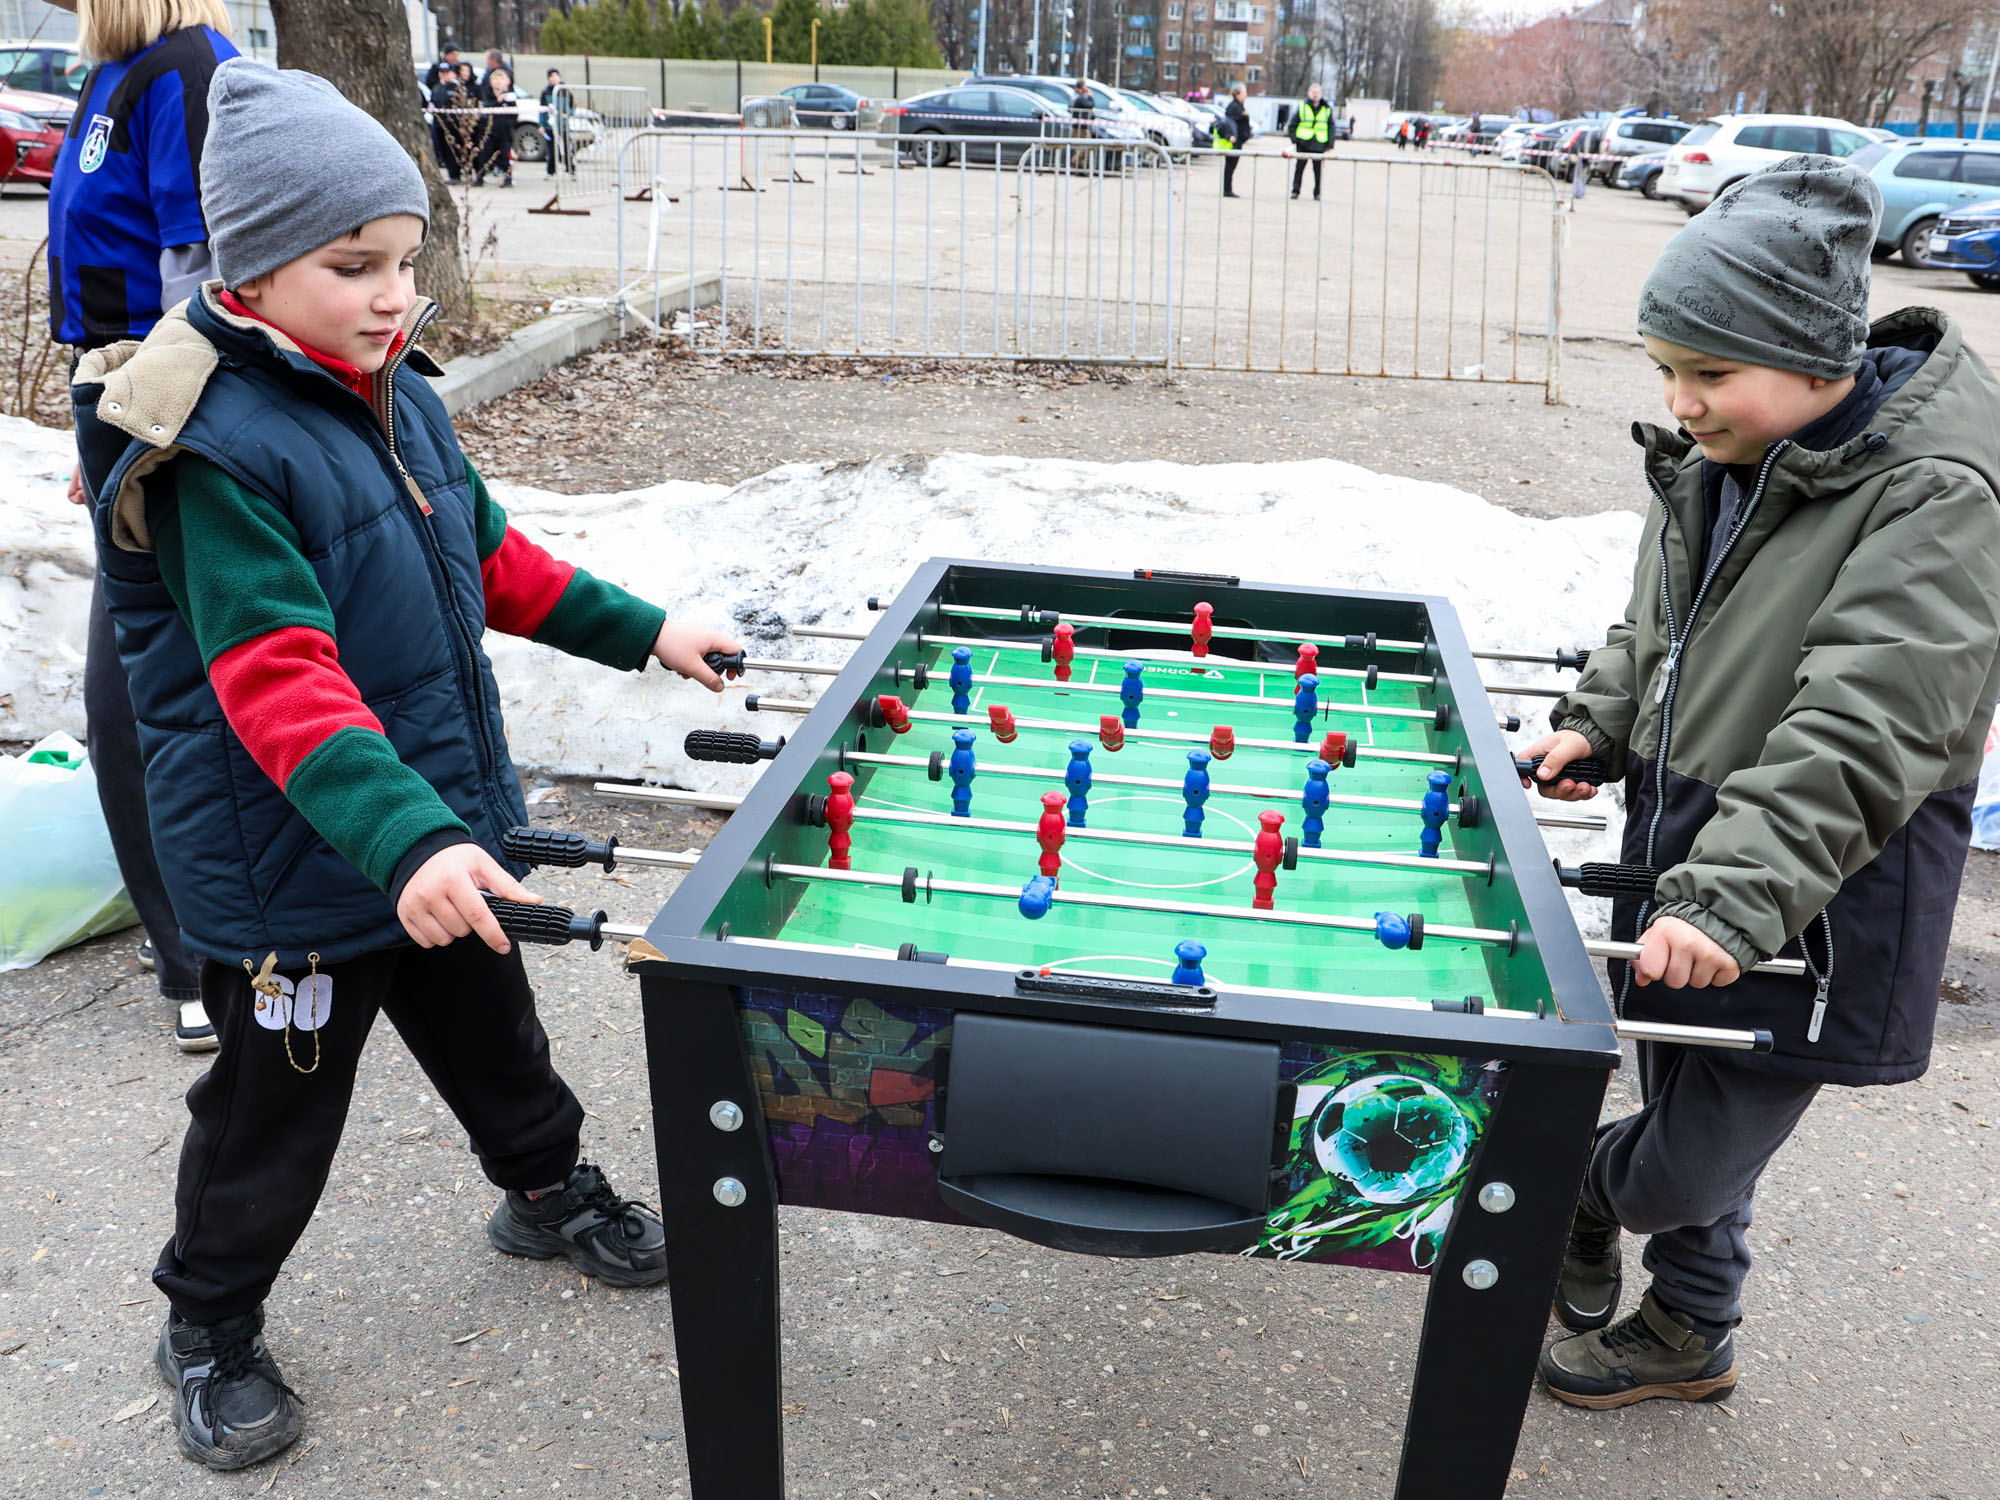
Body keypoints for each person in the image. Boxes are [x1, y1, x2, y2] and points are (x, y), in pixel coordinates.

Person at [72, 59, 745, 1470]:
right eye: (352, 266)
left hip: (427, 830)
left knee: (498, 1035)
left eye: (403, 260)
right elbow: (277, 680)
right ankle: (209, 1320)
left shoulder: (390, 391)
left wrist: (644, 631)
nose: (392, 296)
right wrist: (410, 840)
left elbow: (490, 559)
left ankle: (544, 1188)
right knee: (273, 1111)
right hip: (295, 862)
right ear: (251, 271)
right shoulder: (213, 455)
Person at [1522, 157, 2000, 1410]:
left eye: (1706, 372)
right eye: (1663, 369)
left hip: (1824, 882)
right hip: (1693, 844)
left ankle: (1574, 1191)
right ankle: (1690, 1329)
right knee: (1678, 1089)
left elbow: (1868, 722)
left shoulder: (1932, 490)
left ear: (1809, 355)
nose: (1678, 402)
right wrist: (1598, 721)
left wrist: (1731, 895)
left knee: (1687, 1158)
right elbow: (1660, 622)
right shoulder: (1737, 447)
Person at [45, 0, 239, 1054]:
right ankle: (200, 952)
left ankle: (215, 956)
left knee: (145, 700)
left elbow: (202, 274)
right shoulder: (120, 68)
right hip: (121, 400)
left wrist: (144, 429)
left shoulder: (186, 69)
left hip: (167, 411)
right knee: (136, 701)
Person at [430, 61, 475, 182]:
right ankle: (451, 174)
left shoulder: (458, 88)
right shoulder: (437, 87)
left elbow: (464, 107)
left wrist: (462, 126)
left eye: (447, 72)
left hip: (454, 126)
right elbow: (433, 102)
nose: (444, 75)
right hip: (439, 125)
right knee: (442, 150)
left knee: (453, 151)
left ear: (453, 74)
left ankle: (456, 174)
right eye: (442, 72)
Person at [1288, 82, 1332, 200]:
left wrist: (1330, 143)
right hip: (1303, 143)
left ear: (1321, 94)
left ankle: (1317, 193)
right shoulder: (1302, 106)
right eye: (1313, 92)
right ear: (1309, 93)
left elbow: (1331, 126)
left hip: (1319, 143)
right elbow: (1292, 124)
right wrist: (1295, 139)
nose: (1315, 94)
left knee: (1318, 171)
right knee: (1299, 169)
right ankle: (1295, 191)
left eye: (1317, 92)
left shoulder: (1326, 108)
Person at [475, 63, 514, 187]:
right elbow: (487, 106)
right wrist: (498, 101)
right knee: (484, 155)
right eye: (495, 79)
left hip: (504, 131)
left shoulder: (510, 96)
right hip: (489, 130)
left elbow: (514, 113)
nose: (497, 81)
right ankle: (479, 177)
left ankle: (508, 178)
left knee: (504, 156)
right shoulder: (487, 94)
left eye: (500, 78)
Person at [539, 66, 573, 178]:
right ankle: (551, 172)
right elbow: (542, 110)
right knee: (551, 150)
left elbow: (571, 107)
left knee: (567, 149)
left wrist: (567, 114)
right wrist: (541, 125)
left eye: (556, 76)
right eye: (551, 76)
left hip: (563, 126)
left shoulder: (566, 91)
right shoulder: (545, 92)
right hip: (550, 126)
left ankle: (571, 170)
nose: (554, 78)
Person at [1219, 84, 1250, 198]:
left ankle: (1228, 189)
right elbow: (1227, 124)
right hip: (1234, 142)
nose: (1246, 95)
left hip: (1238, 140)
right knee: (1230, 166)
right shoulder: (1234, 107)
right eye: (1244, 92)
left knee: (1232, 166)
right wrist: (1230, 136)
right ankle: (1227, 189)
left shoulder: (1239, 106)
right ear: (1238, 94)